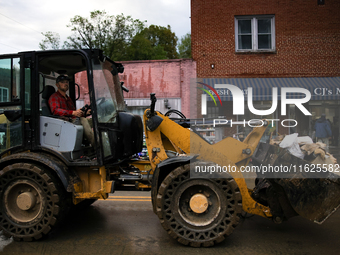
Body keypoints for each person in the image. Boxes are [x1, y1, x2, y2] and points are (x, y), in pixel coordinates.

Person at [48, 75, 95, 147]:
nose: (65, 84)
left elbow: (74, 113)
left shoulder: (68, 98)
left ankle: (99, 140)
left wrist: (85, 113)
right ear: (57, 85)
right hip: (63, 122)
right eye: (62, 82)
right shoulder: (54, 97)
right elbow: (55, 110)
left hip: (71, 120)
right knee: (83, 120)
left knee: (93, 120)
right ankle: (96, 144)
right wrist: (73, 112)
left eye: (67, 82)